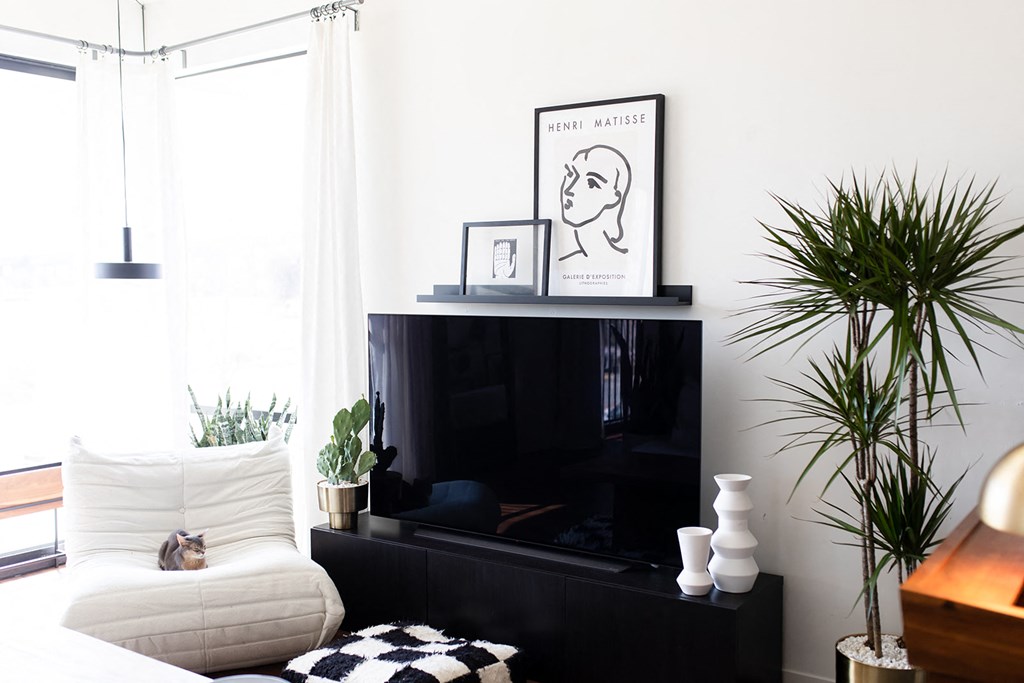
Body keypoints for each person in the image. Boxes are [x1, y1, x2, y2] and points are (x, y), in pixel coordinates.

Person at [558, 144, 632, 260]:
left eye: (591, 183)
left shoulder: (623, 262)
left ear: (615, 197)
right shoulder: (564, 261)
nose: (569, 189)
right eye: (570, 174)